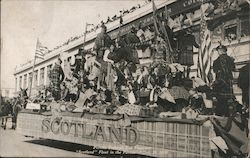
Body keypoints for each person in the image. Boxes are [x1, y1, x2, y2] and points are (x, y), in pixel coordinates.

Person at [213, 44, 236, 116]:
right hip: (228, 81)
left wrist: (217, 82)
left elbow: (217, 71)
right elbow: (233, 69)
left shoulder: (217, 60)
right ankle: (227, 114)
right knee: (227, 100)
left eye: (219, 51)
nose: (218, 52)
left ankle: (220, 114)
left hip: (221, 82)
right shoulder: (230, 59)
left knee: (220, 99)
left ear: (221, 51)